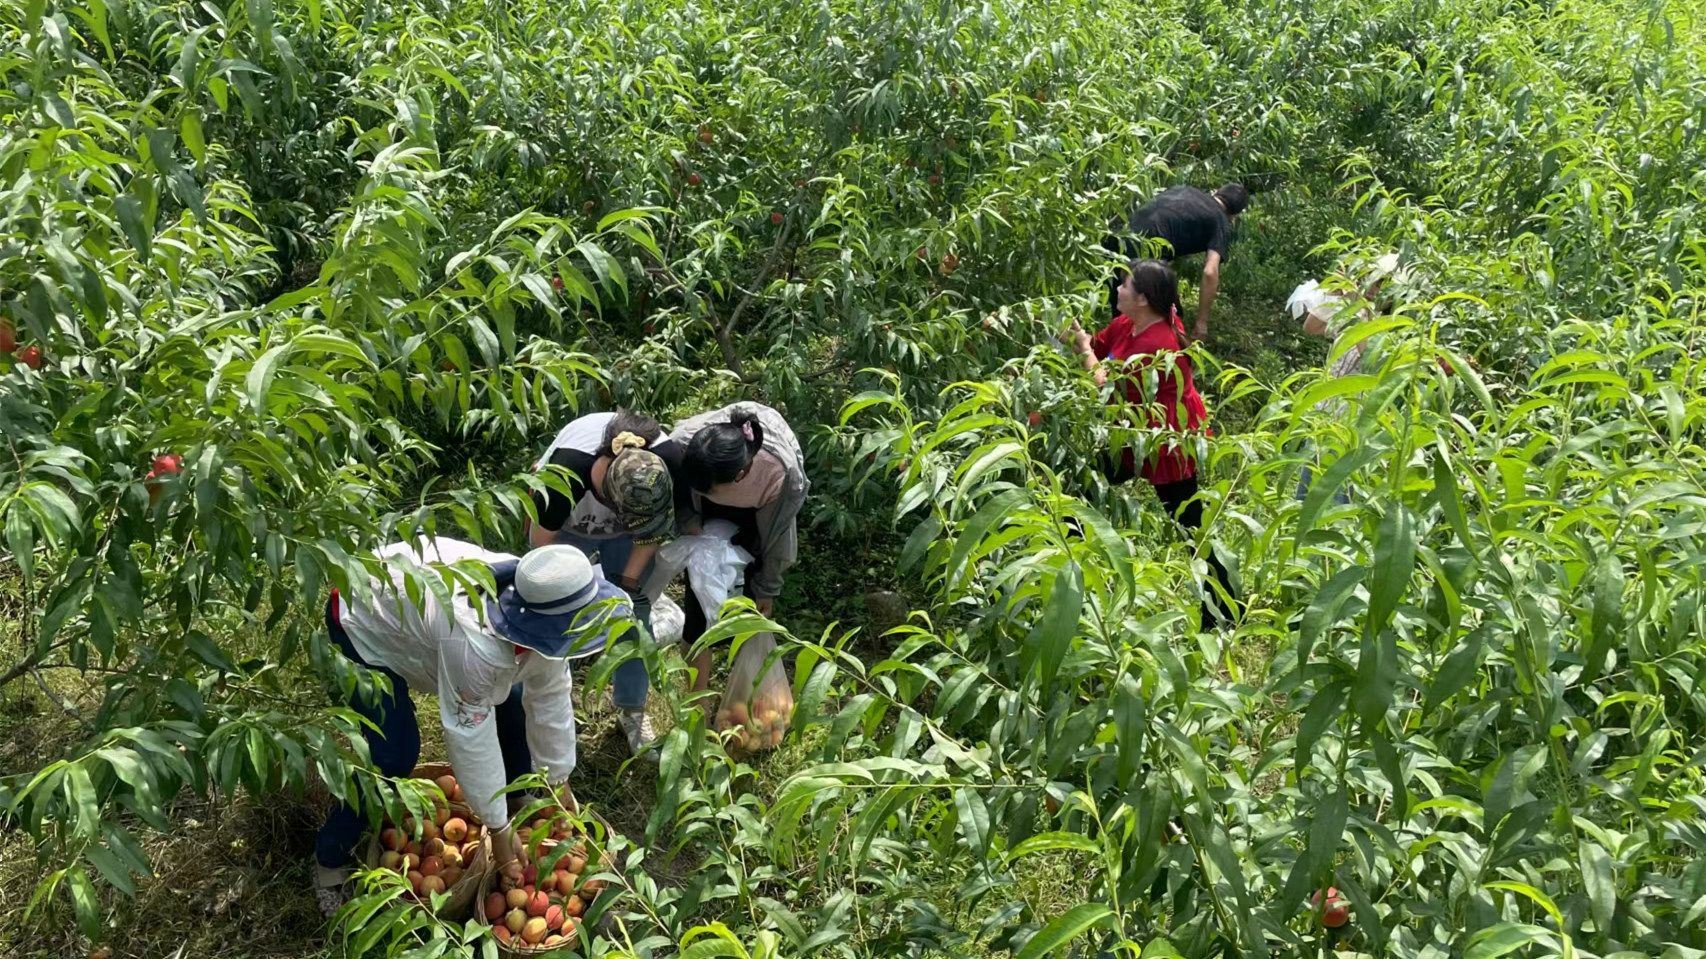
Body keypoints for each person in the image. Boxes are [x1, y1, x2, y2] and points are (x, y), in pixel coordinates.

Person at [313, 538, 632, 915]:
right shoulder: (472, 641)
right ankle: (329, 859)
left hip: (412, 602)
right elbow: (469, 737)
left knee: (512, 704)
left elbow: (549, 694)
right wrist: (496, 830)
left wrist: (556, 779)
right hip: (361, 614)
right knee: (392, 754)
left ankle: (520, 798)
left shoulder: (546, 589)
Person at [1067, 259, 1238, 628]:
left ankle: (1224, 611)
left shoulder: (1156, 342)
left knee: (1190, 525)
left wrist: (1082, 348)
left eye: (1124, 285)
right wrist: (1072, 338)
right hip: (1133, 433)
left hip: (1166, 440)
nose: (1118, 289)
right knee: (1079, 492)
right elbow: (1098, 348)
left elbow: (1107, 388)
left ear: (1143, 298)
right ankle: (1065, 577)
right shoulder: (1128, 323)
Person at [526, 410, 685, 756]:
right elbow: (541, 549)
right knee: (554, 612)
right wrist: (572, 589)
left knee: (633, 617)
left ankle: (632, 709)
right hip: (566, 528)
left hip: (628, 540)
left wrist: (627, 585)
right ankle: (554, 702)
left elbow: (651, 534)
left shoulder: (666, 463)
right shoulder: (563, 476)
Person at [667, 403, 809, 692]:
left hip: (757, 521)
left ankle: (744, 694)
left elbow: (778, 536)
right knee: (698, 610)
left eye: (707, 489)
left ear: (739, 476)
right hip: (706, 520)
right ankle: (699, 703)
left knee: (747, 614)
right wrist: (689, 519)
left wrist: (768, 587)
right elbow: (679, 493)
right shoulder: (682, 446)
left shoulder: (779, 476)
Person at [1286, 252, 1403, 502]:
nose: (1373, 289)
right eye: (1370, 280)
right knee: (1305, 499)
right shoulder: (1353, 314)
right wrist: (1336, 295)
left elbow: (1372, 361)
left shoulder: (1390, 326)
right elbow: (1311, 327)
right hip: (1324, 418)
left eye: (1382, 284)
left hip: (1352, 429)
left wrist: (1357, 305)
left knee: (1336, 504)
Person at [1102, 183, 1249, 341]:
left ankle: (1116, 353)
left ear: (1216, 192)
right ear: (1234, 215)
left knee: (1123, 312)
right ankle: (1164, 358)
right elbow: (1210, 271)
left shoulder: (1186, 189)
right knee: (1170, 316)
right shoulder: (1221, 221)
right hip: (1146, 251)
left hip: (1117, 237)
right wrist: (1202, 322)